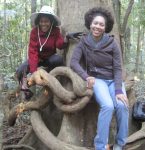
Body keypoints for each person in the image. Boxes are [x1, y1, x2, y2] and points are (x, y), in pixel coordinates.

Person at [70, 7, 129, 150]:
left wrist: (118, 90)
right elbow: (73, 62)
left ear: (105, 27)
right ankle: (101, 146)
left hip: (114, 81)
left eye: (101, 24)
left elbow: (117, 68)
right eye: (95, 23)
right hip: (98, 80)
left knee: (122, 105)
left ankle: (120, 144)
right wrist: (86, 76)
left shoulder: (112, 43)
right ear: (90, 23)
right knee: (108, 106)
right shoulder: (84, 42)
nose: (97, 26)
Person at [16, 5, 81, 100]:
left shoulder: (55, 30)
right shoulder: (34, 32)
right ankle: (26, 91)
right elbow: (32, 52)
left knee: (58, 59)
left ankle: (52, 78)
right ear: (38, 21)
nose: (44, 24)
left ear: (51, 22)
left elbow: (59, 45)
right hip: (37, 58)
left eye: (46, 21)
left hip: (49, 58)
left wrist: (66, 38)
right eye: (41, 21)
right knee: (20, 71)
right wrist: (34, 72)